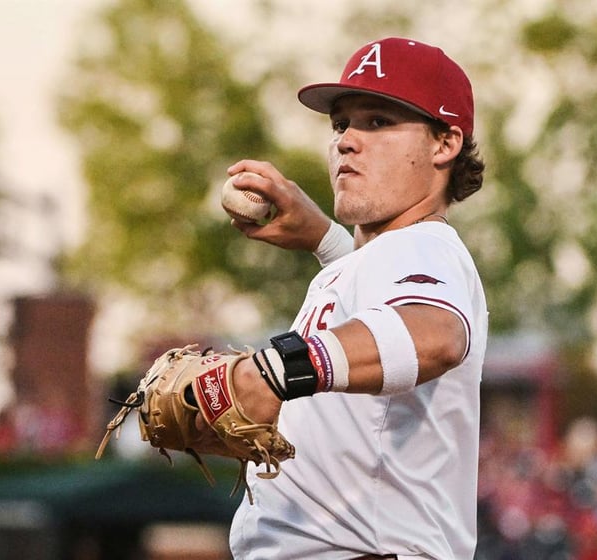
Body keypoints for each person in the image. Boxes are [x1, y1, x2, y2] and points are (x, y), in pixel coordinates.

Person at [219, 37, 488, 559]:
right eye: (340, 124)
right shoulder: (387, 256)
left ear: (444, 144)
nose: (346, 140)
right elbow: (378, 302)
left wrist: (274, 370)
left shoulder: (423, 244)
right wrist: (326, 240)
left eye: (378, 122)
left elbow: (434, 336)